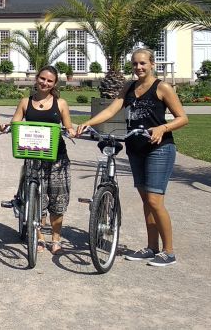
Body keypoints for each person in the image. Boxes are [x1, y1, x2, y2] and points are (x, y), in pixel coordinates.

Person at [77, 48, 188, 267]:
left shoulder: (162, 87)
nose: (138, 68)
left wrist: (162, 128)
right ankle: (151, 248)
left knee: (155, 201)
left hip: (159, 149)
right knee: (147, 201)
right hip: (135, 149)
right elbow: (112, 110)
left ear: (152, 64)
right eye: (135, 64)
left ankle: (169, 251)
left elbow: (182, 118)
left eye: (143, 64)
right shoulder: (129, 87)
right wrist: (89, 123)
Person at [0, 65, 76, 255]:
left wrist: (71, 130)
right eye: (42, 79)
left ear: (55, 83)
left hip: (57, 158)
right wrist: (6, 126)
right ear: (37, 79)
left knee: (58, 200)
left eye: (49, 81)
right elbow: (16, 122)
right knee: (36, 201)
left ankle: (56, 239)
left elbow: (68, 126)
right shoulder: (26, 102)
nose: (45, 83)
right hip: (33, 156)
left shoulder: (61, 103)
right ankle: (39, 237)